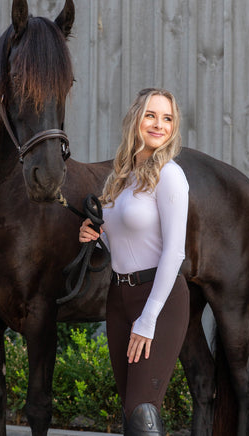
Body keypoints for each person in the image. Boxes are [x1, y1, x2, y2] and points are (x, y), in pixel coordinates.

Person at [79, 88, 190, 436]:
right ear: (135, 119)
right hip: (119, 298)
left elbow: (174, 251)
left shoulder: (170, 175)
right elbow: (122, 242)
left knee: (143, 412)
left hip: (158, 298)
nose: (159, 125)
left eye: (167, 118)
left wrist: (149, 317)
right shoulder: (121, 178)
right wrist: (95, 235)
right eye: (151, 115)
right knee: (130, 410)